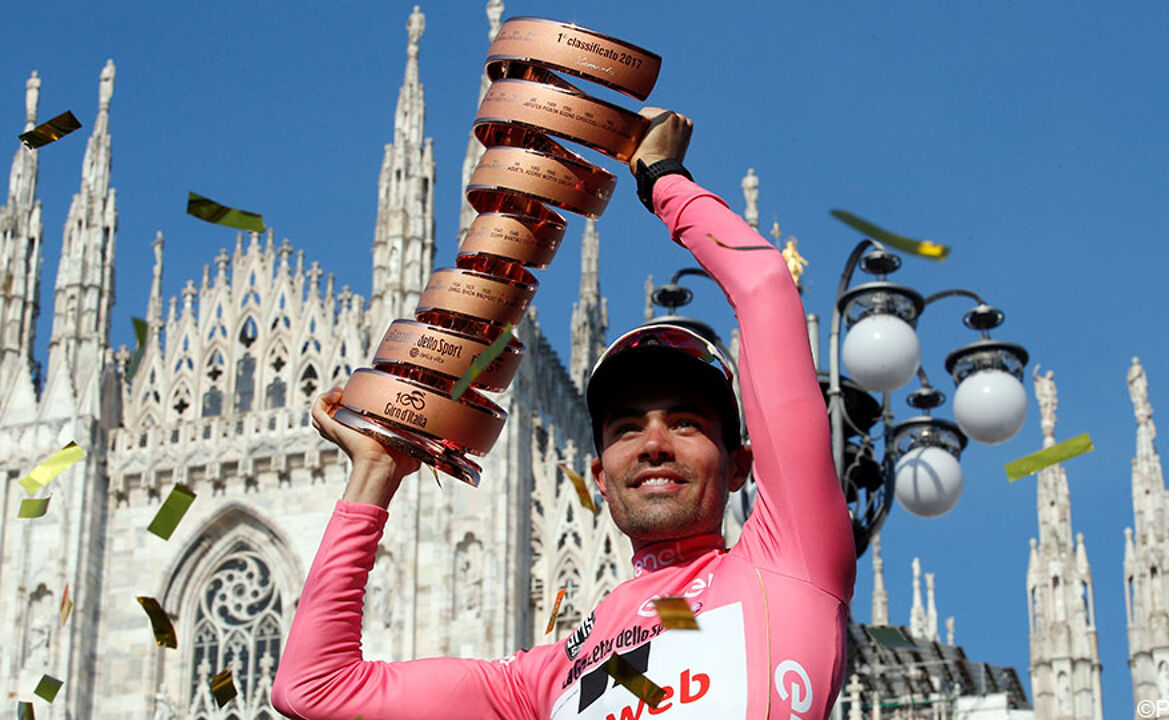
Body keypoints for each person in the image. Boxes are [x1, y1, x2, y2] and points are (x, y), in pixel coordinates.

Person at [271, 108, 857, 719]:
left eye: (685, 422)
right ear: (600, 478)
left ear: (740, 466)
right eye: (627, 428)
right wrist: (373, 477)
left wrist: (662, 177)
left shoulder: (788, 565)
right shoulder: (553, 674)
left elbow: (763, 286)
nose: (654, 443)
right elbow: (314, 689)